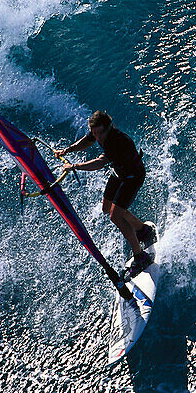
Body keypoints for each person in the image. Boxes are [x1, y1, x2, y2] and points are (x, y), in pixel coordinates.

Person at [56, 111, 155, 278]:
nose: (97, 137)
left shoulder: (116, 141)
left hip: (133, 175)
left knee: (116, 216)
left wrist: (74, 167)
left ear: (109, 128)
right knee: (107, 208)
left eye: (100, 133)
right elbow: (87, 140)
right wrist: (67, 150)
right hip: (120, 171)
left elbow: (100, 163)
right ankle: (142, 230)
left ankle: (141, 256)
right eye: (95, 133)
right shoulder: (99, 132)